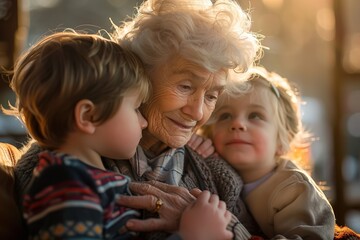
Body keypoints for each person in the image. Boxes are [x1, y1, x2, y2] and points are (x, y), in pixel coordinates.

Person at [13, 0, 261, 239]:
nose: (197, 113)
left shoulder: (218, 173)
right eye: (185, 86)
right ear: (141, 75)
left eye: (211, 96)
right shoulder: (54, 166)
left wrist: (228, 228)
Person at [190, 66, 336, 239]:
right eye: (225, 116)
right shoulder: (212, 171)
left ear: (281, 141)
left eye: (255, 116)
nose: (237, 123)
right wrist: (198, 151)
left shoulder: (293, 189)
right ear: (210, 133)